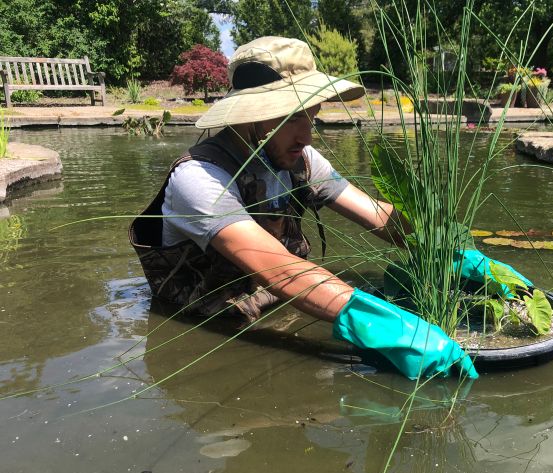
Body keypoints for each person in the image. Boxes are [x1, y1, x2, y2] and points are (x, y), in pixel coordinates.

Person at [130, 36, 532, 382]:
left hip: (280, 307)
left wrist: (447, 251)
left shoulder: (300, 158)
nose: (307, 134)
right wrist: (381, 325)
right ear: (248, 116)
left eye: (312, 115)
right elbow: (282, 271)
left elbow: (379, 217)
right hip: (213, 333)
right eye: (292, 117)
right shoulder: (199, 179)